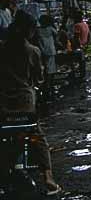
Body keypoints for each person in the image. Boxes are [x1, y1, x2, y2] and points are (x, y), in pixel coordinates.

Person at [0, 11, 61, 195]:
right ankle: (48, 178)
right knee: (36, 136)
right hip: (25, 106)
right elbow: (39, 78)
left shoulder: (2, 49)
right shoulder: (33, 51)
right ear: (29, 31)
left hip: (2, 107)